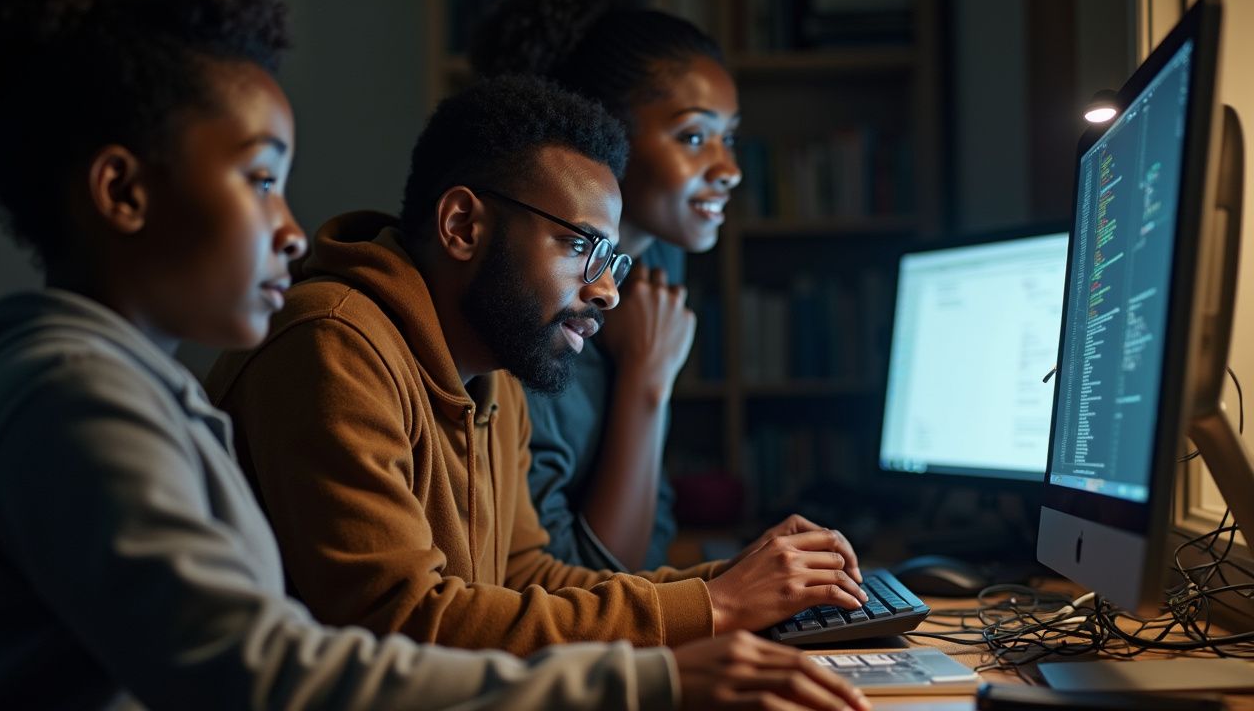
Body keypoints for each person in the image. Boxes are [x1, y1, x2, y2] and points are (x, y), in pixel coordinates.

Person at [0, 0, 870, 709]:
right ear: (122, 192)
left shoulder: (142, 395)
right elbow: (301, 663)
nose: (292, 228)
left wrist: (712, 605)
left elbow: (519, 572)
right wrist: (665, 661)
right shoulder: (90, 403)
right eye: (261, 182)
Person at [206, 73, 870, 658]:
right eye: (581, 244)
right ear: (463, 225)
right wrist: (717, 608)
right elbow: (401, 623)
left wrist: (731, 582)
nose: (608, 290)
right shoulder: (333, 345)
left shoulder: (494, 372)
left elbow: (526, 578)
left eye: (611, 260)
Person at [471, 0, 743, 571]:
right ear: (604, 132)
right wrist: (647, 382)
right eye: (696, 137)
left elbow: (649, 541)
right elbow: (581, 580)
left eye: (731, 137)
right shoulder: (526, 299)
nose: (730, 168)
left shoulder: (654, 272)